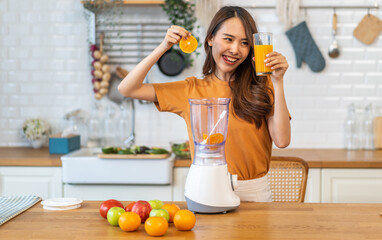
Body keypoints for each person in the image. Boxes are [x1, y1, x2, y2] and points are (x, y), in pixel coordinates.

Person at [118, 6, 291, 202]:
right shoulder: (190, 89)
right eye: (228, 39)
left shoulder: (263, 85)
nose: (235, 49)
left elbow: (282, 141)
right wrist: (164, 46)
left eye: (244, 43)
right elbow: (127, 88)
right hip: (206, 189)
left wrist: (278, 81)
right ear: (210, 39)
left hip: (254, 192)